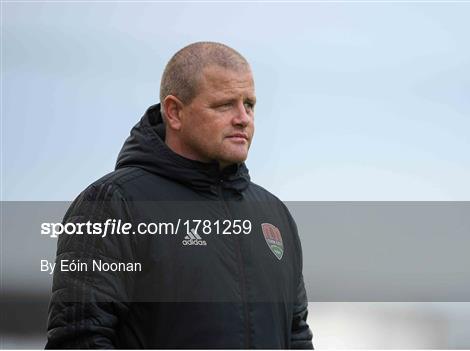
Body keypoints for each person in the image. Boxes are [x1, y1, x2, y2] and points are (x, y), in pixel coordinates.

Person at [45, 42, 314, 349]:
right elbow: (79, 339)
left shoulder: (274, 216)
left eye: (249, 105)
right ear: (174, 112)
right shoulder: (112, 204)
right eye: (225, 105)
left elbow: (297, 337)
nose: (243, 118)